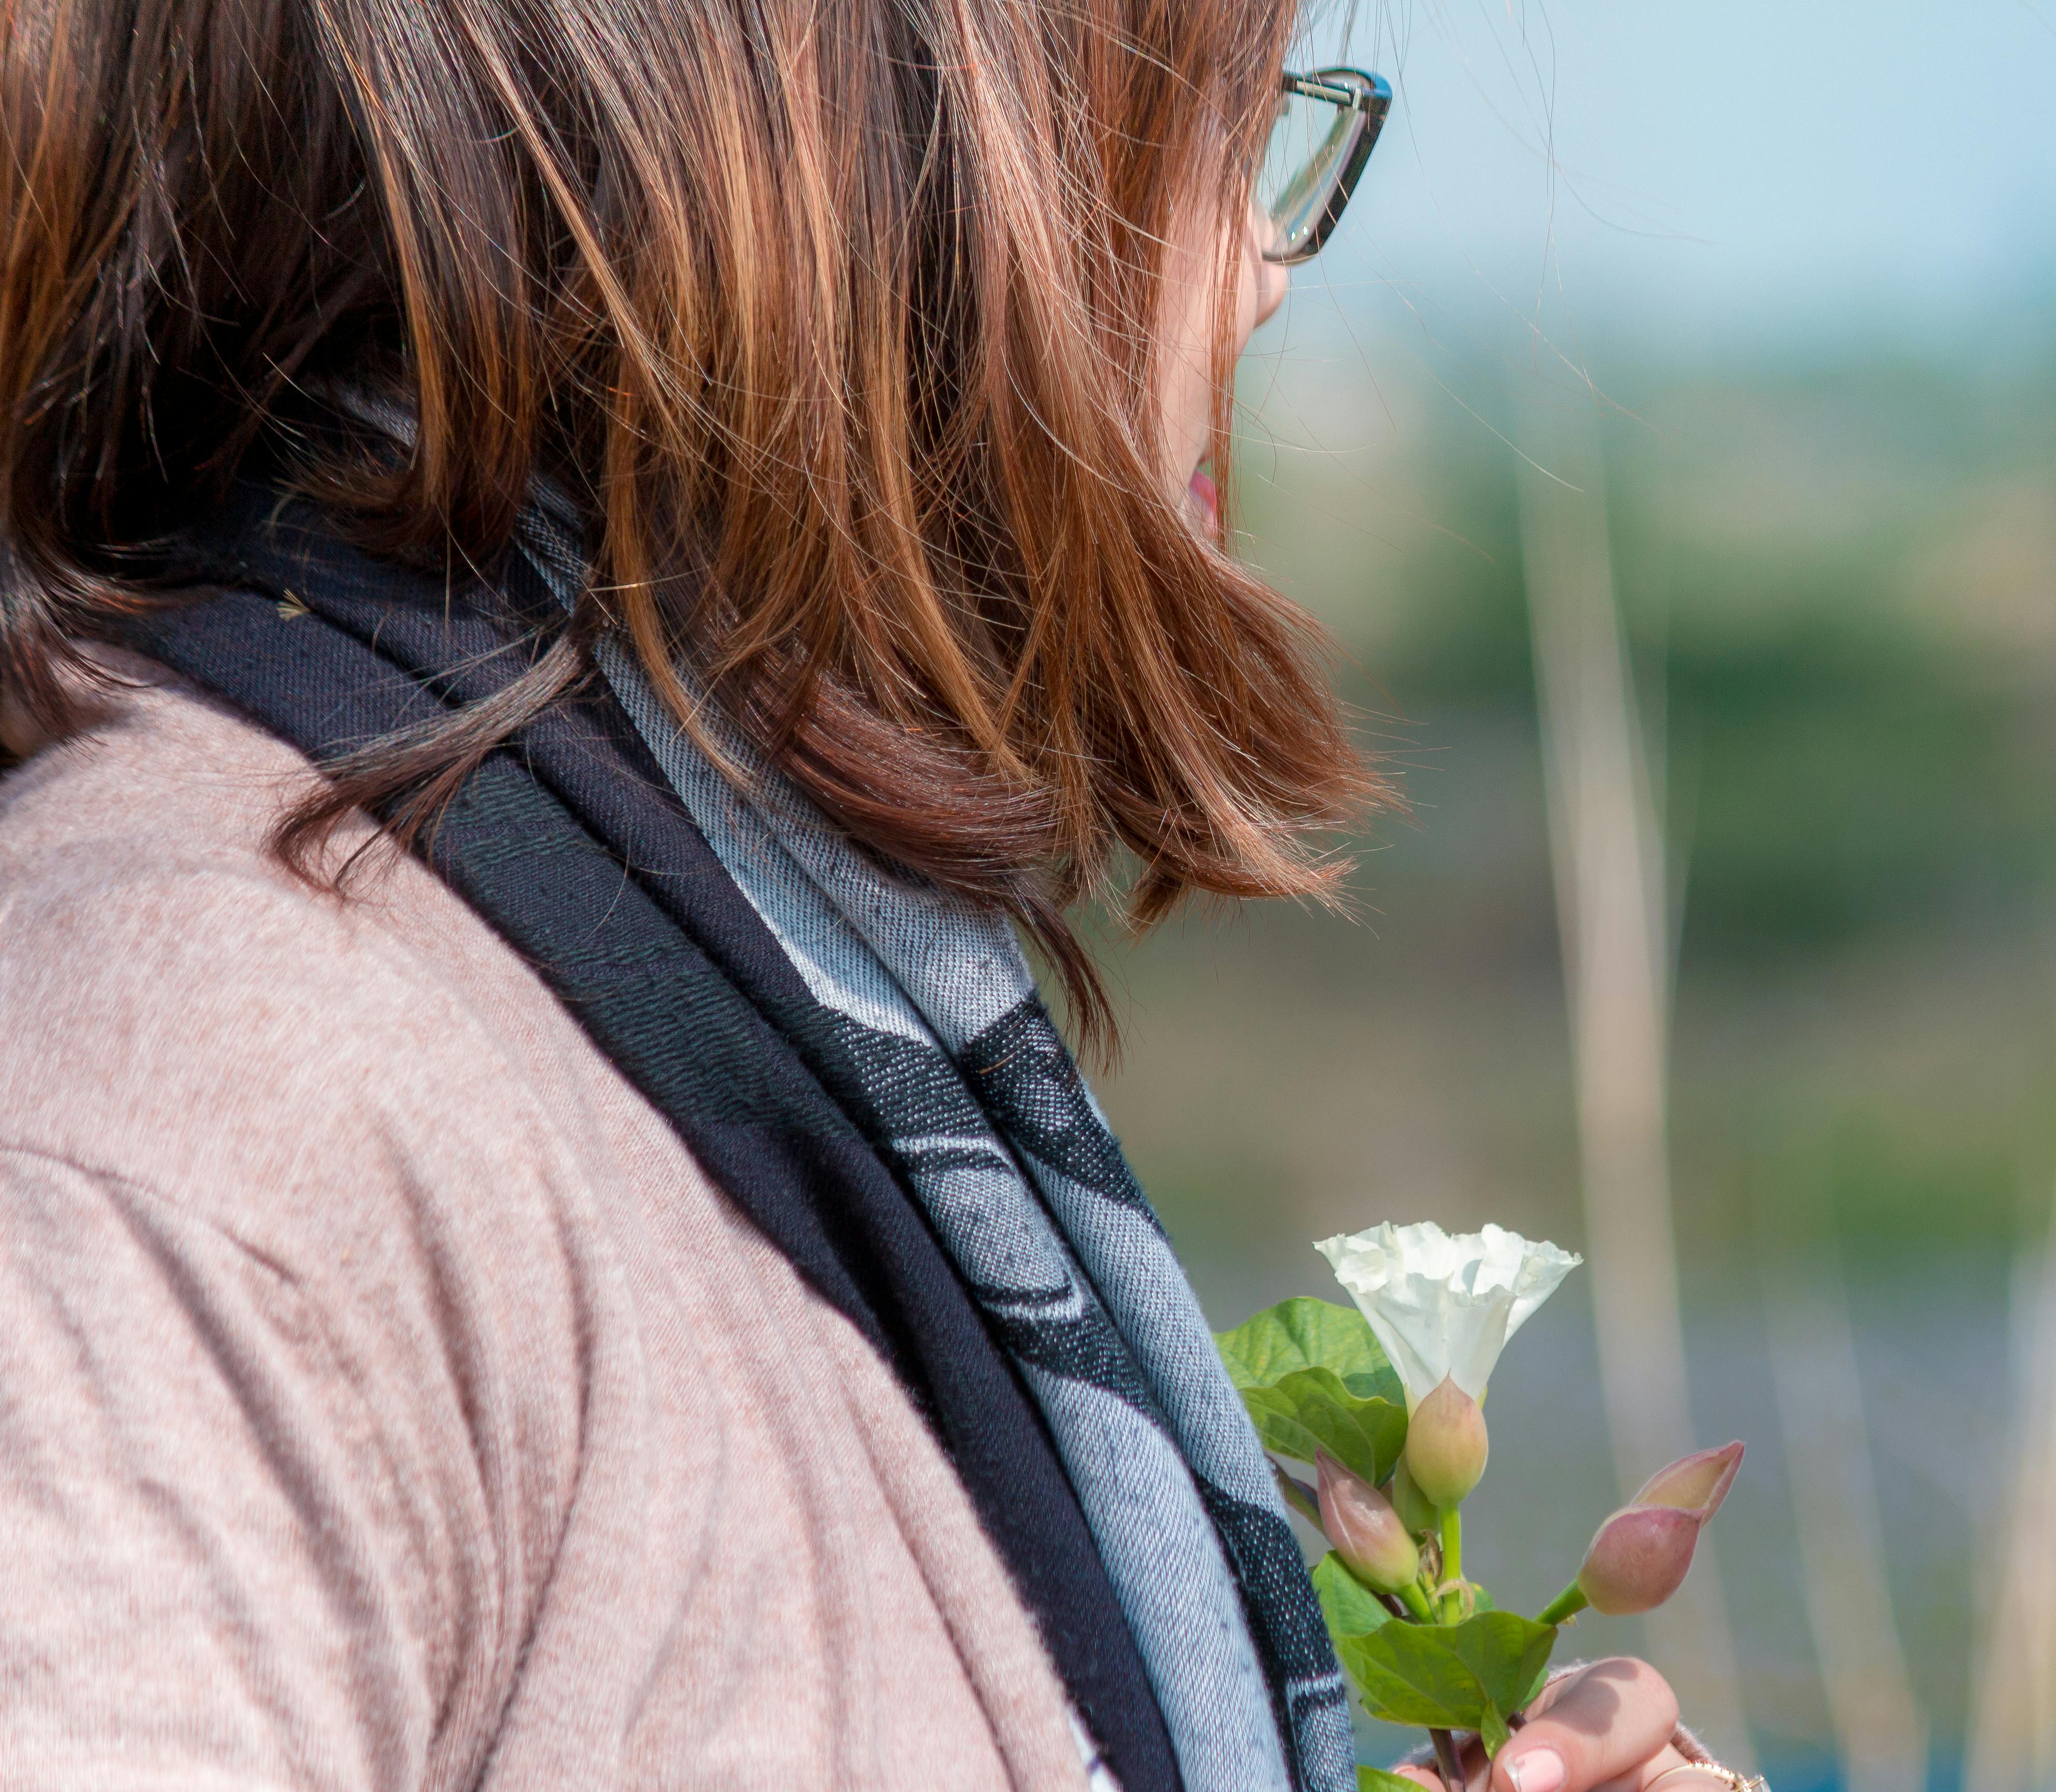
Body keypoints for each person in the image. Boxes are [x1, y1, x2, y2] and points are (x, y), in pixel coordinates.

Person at [0, 0, 1752, 1787]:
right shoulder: (207, 1094)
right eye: (1205, 121)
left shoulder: (718, 970)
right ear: (857, 125)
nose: (1263, 271)